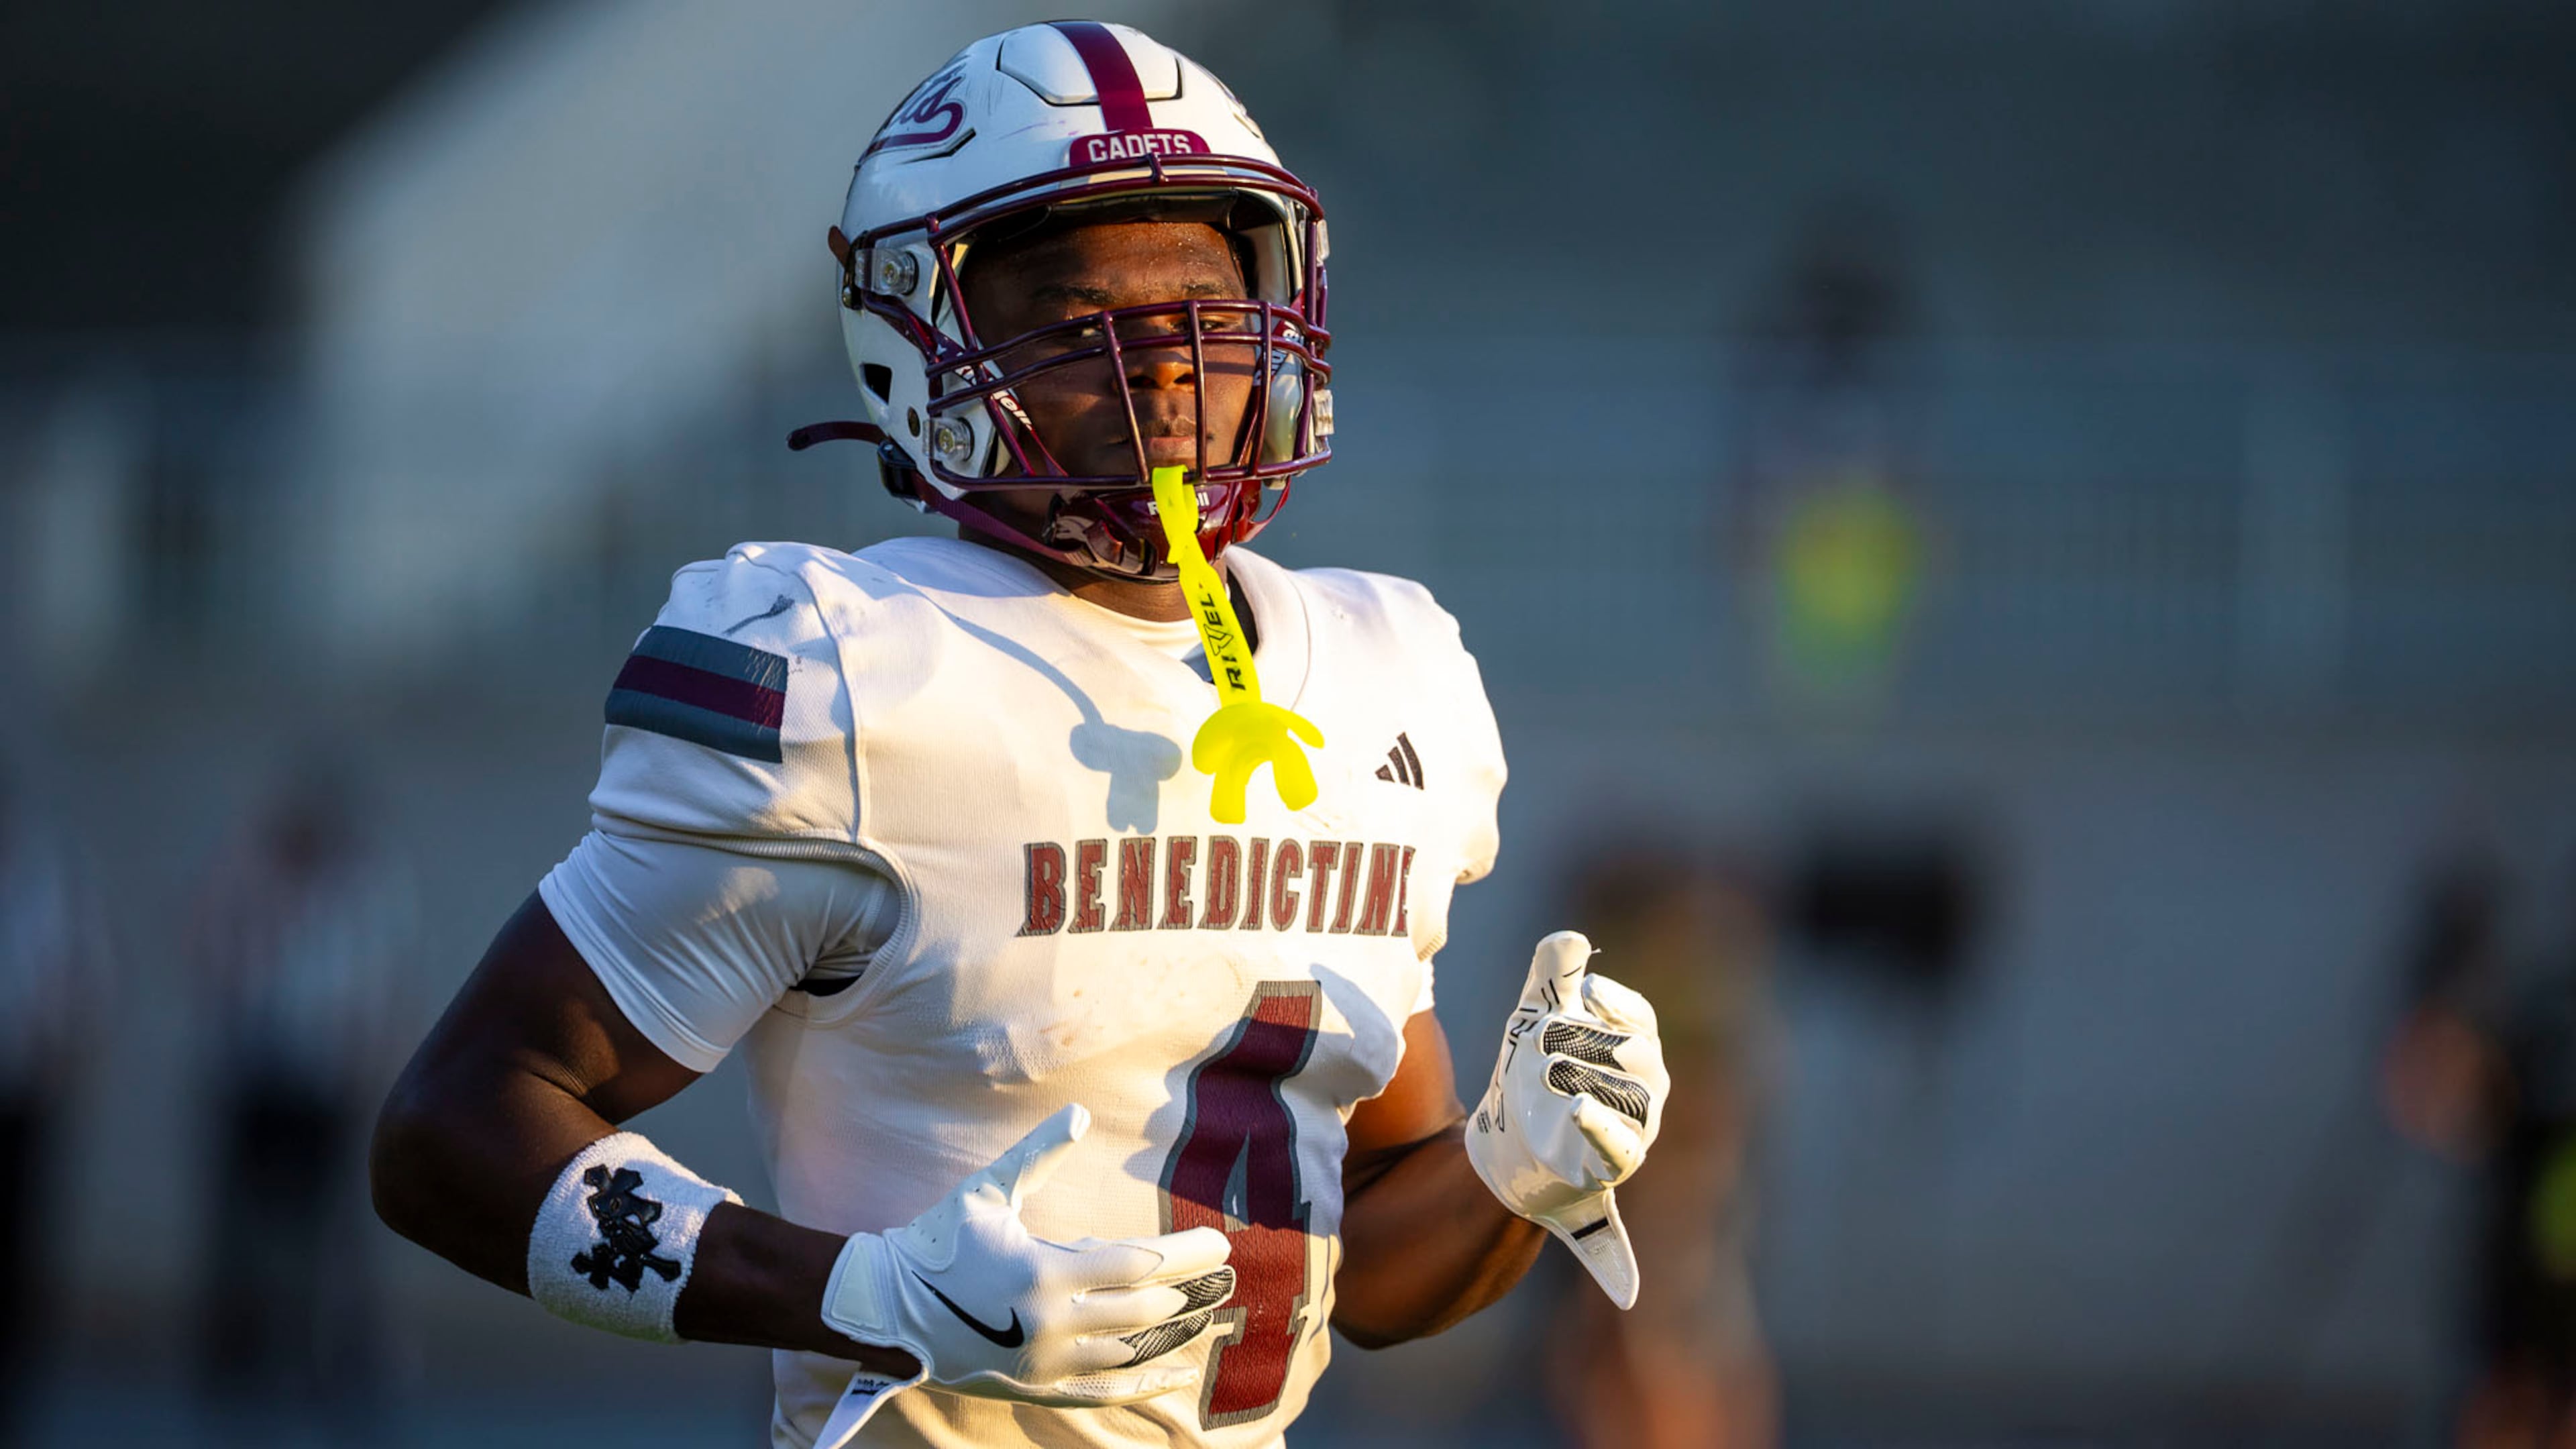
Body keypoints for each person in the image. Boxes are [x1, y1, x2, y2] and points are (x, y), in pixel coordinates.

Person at [370, 21, 1674, 1449]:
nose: (1166, 375)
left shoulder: (1387, 670)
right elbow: (453, 1133)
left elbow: (1374, 1266)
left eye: (1204, 313)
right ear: (926, 346)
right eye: (1082, 324)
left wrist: (1518, 1168)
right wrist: (852, 1293)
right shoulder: (842, 677)